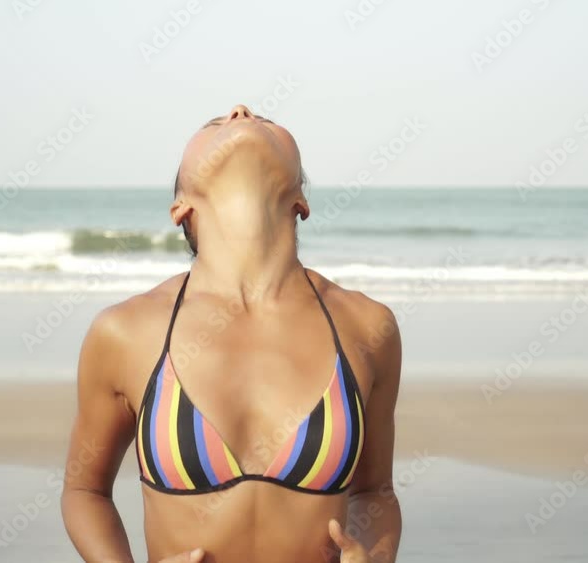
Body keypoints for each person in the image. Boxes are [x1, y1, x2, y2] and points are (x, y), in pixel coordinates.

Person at [61, 104, 403, 562]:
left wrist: (377, 558)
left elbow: (375, 491)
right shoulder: (125, 332)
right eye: (214, 124)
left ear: (300, 200)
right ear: (180, 207)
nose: (240, 110)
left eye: (262, 117)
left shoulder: (366, 327)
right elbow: (84, 490)